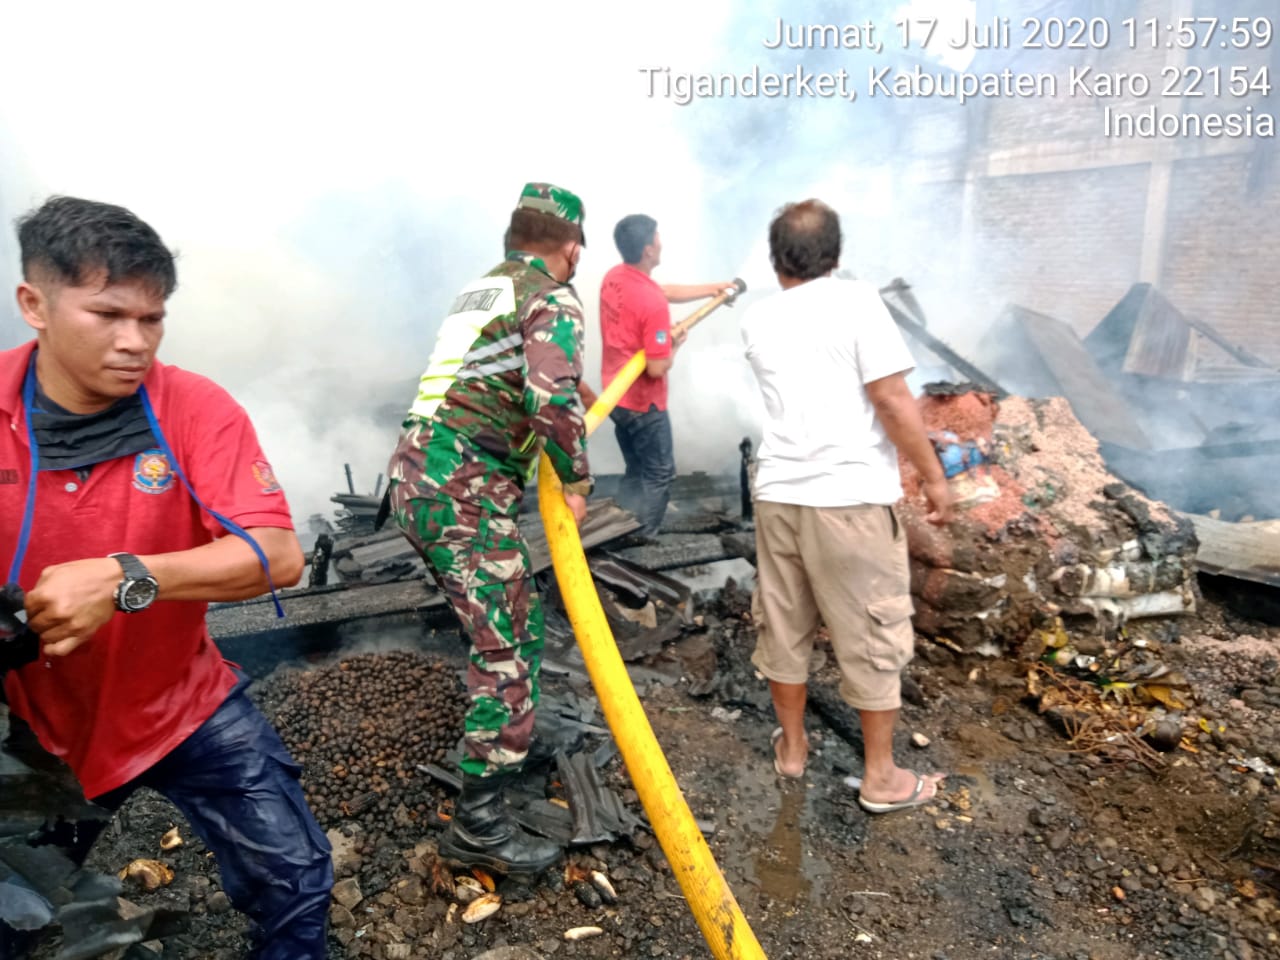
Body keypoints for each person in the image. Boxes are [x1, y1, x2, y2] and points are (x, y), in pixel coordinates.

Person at [0, 196, 332, 956]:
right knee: (23, 918)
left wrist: (122, 578)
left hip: (180, 708)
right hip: (34, 728)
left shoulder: (192, 409)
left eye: (152, 320)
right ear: (34, 305)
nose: (134, 341)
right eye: (108, 314)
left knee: (295, 875)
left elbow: (276, 555)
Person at [387, 182, 592, 874]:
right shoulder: (553, 294)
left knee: (506, 629)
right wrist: (578, 477)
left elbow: (502, 372)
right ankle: (477, 824)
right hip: (463, 489)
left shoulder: (486, 288)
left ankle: (509, 735)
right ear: (570, 248)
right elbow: (549, 396)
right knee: (508, 650)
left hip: (418, 475)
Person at [740, 199, 955, 813]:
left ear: (776, 257)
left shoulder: (758, 319)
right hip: (851, 501)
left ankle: (792, 749)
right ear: (835, 256)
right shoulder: (859, 301)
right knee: (870, 628)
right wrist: (933, 477)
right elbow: (889, 397)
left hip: (780, 494)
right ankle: (882, 777)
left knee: (784, 622)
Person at [599, 214, 732, 537]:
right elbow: (657, 367)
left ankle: (619, 524)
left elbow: (662, 291)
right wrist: (675, 345)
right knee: (659, 473)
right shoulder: (654, 306)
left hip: (615, 396)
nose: (661, 243)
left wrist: (713, 289)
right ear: (647, 250)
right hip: (645, 406)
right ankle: (644, 537)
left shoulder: (615, 277)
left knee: (636, 468)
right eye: (657, 238)